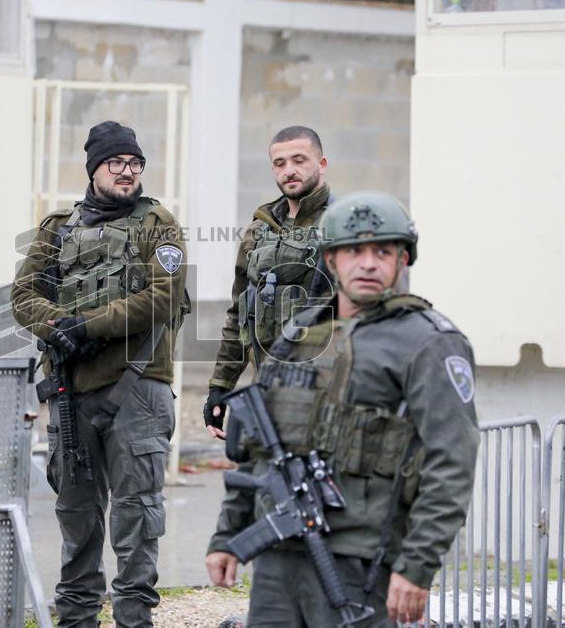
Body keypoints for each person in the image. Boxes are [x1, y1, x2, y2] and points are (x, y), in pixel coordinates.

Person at [205, 191, 480, 626]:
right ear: (331, 260)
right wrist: (227, 536)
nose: (368, 263)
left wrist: (417, 566)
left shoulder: (429, 341)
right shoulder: (298, 335)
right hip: (278, 557)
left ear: (402, 261)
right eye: (353, 251)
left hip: (360, 560)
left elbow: (452, 462)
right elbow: (257, 445)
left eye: (382, 251)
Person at [11, 121, 187, 628]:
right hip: (72, 391)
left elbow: (162, 296)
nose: (127, 172)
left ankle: (134, 619)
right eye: (117, 163)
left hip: (137, 388)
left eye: (135, 164)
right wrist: (57, 327)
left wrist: (87, 326)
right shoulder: (57, 229)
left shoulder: (159, 223)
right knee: (76, 516)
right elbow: (23, 295)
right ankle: (76, 620)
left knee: (137, 515)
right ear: (95, 169)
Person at [204, 125, 332, 438]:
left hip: (323, 397)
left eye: (299, 160)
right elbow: (239, 315)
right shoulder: (258, 231)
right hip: (266, 392)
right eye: (280, 163)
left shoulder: (341, 226)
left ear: (322, 164)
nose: (289, 170)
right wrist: (221, 386)